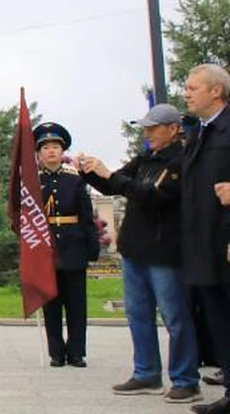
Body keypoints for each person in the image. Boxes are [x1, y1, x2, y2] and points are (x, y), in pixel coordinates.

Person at [78, 104, 201, 403]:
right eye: (144, 129)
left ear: (173, 129)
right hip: (135, 248)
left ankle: (186, 379)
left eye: (153, 128)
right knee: (138, 315)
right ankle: (146, 372)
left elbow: (153, 196)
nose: (147, 134)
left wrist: (113, 176)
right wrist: (92, 172)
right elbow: (115, 184)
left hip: (165, 251)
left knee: (175, 317)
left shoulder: (181, 160)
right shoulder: (147, 158)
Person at [181, 64, 230, 414]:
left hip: (227, 238)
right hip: (203, 243)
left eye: (192, 86)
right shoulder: (199, 133)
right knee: (218, 320)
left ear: (216, 91)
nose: (187, 92)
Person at [33, 122, 99, 368]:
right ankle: (56, 352)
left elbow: (86, 217)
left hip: (73, 245)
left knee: (76, 304)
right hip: (45, 247)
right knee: (51, 303)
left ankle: (76, 352)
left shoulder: (75, 181)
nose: (51, 151)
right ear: (39, 153)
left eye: (55, 147)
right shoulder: (33, 182)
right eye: (46, 147)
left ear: (63, 152)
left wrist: (92, 248)